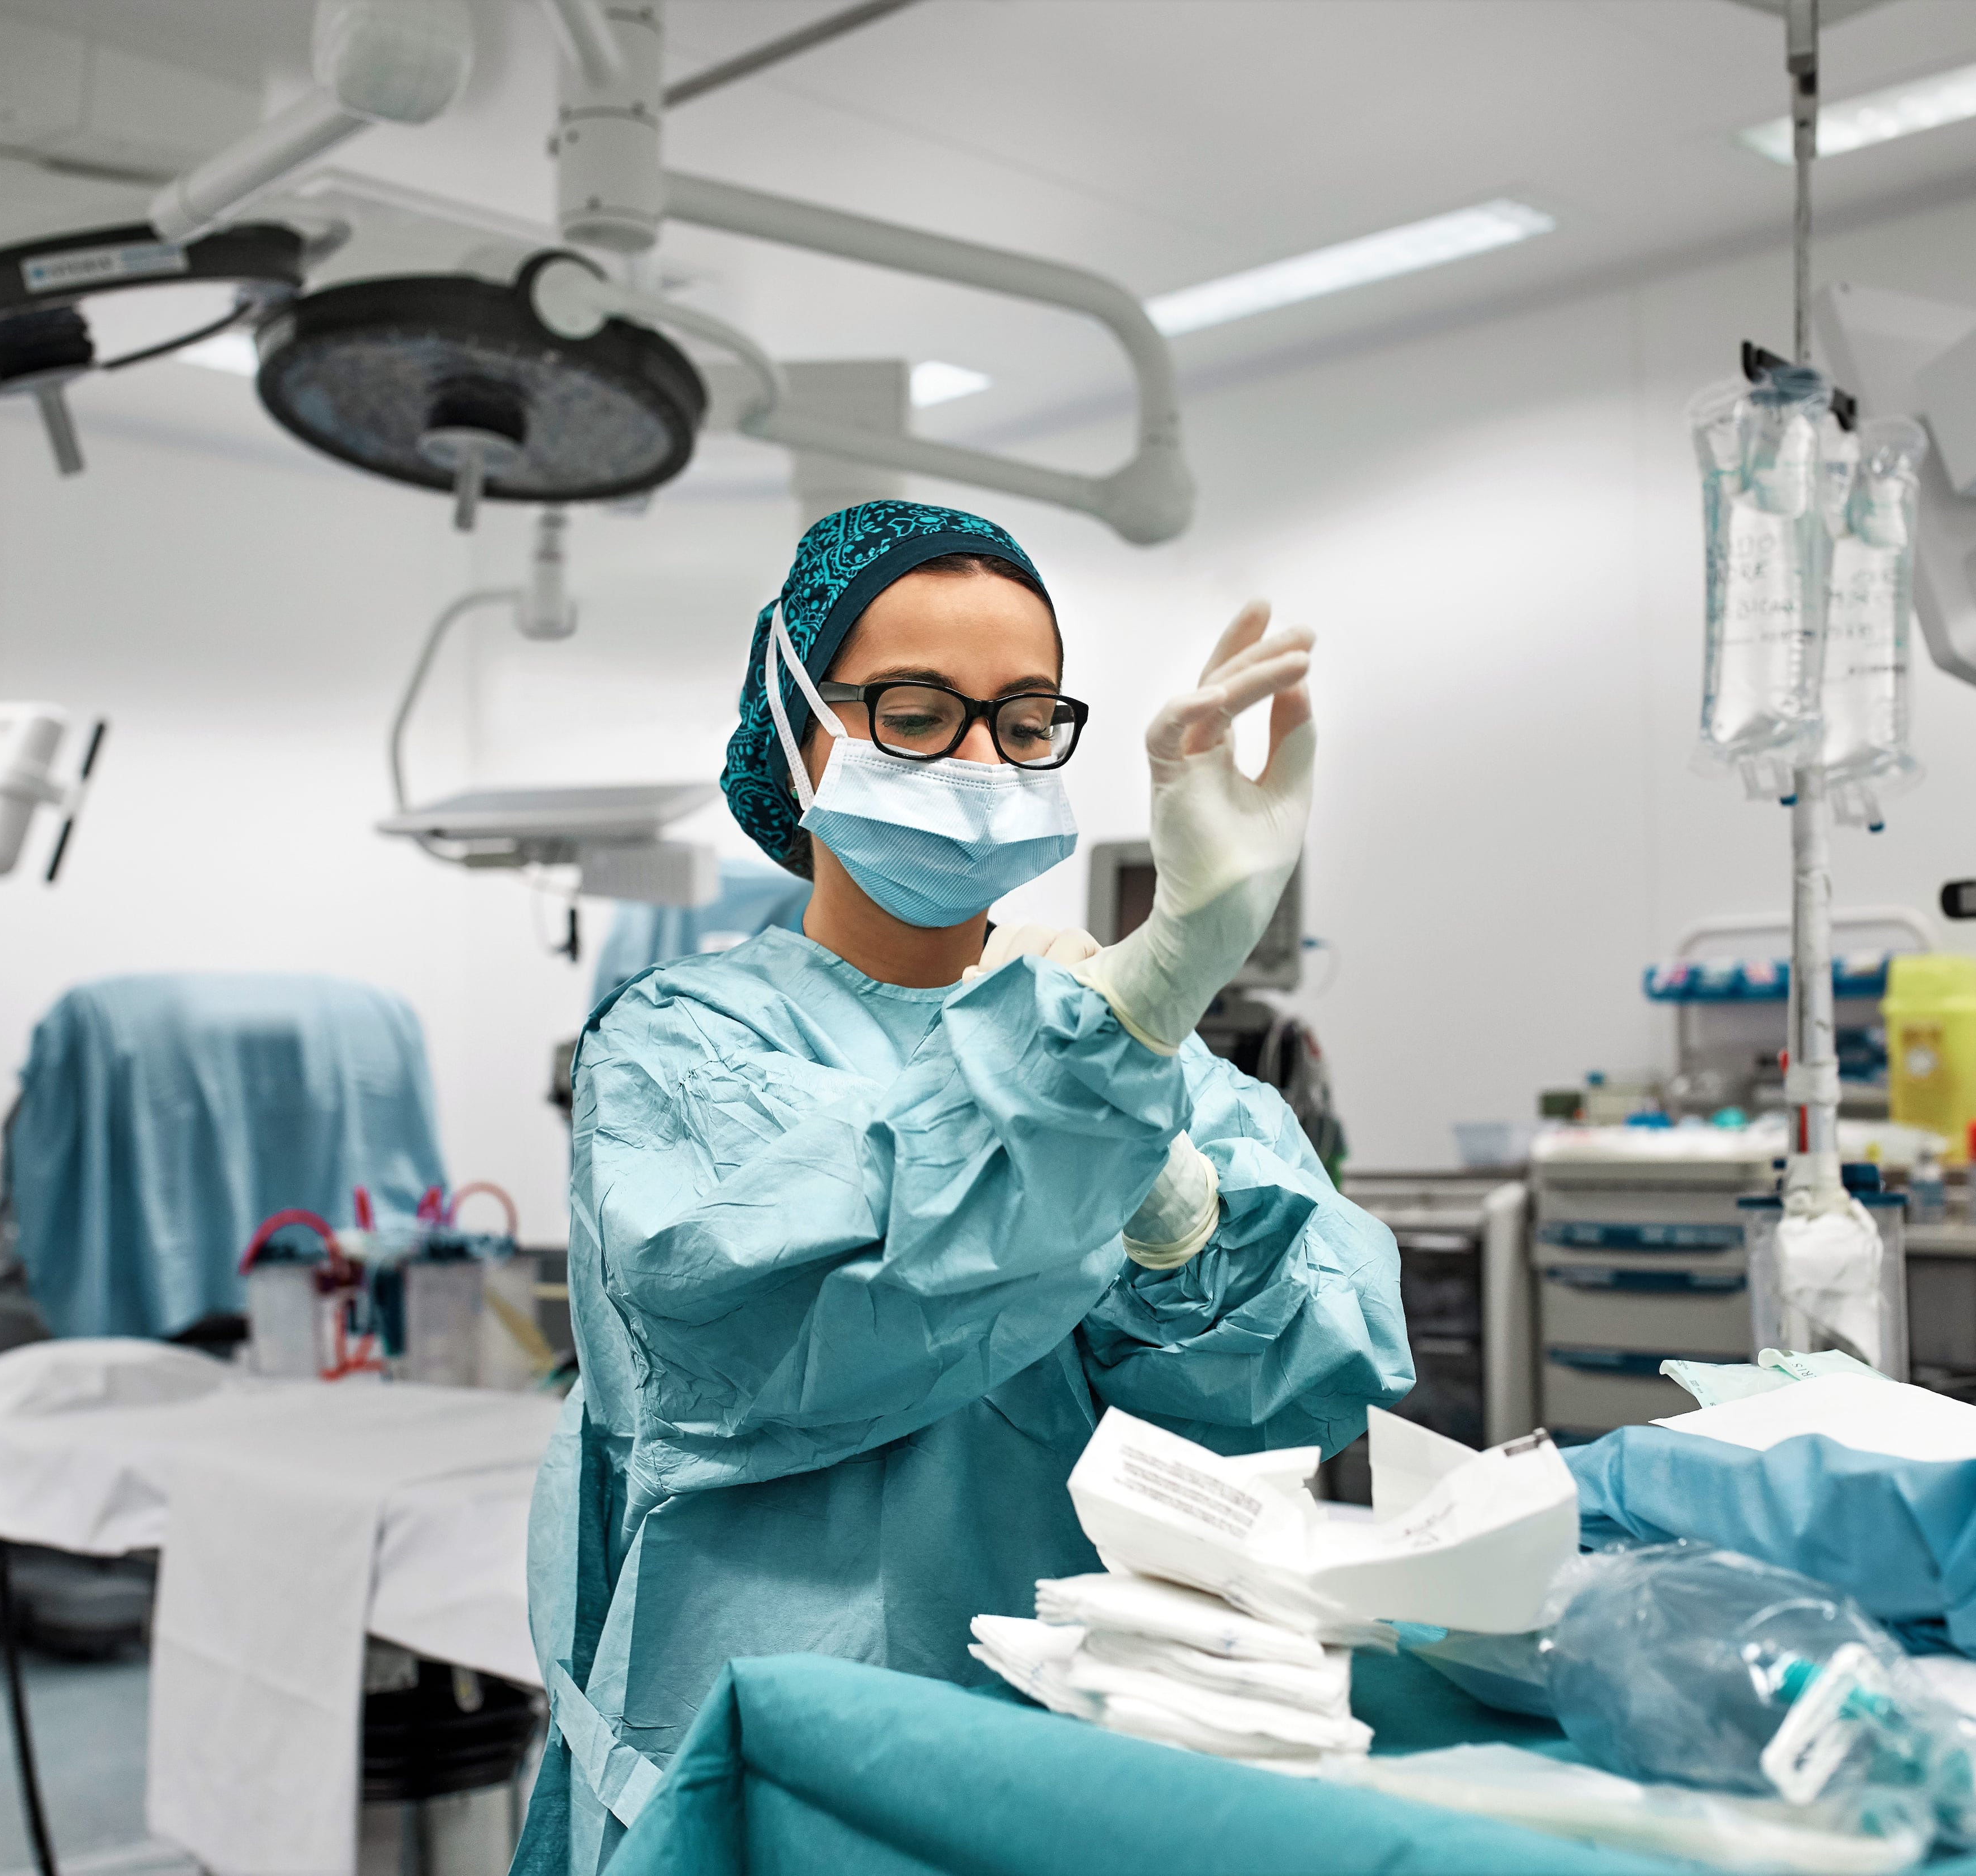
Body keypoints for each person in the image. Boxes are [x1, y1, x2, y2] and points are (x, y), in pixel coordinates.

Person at [514, 500, 1409, 1873]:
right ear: (796, 722)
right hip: (771, 1769)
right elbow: (819, 1313)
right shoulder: (682, 1043)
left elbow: (1304, 1371)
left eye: (1027, 716)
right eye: (918, 713)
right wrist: (1131, 1013)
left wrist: (1159, 1177)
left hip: (1078, 1753)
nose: (984, 760)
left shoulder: (1131, 1050)